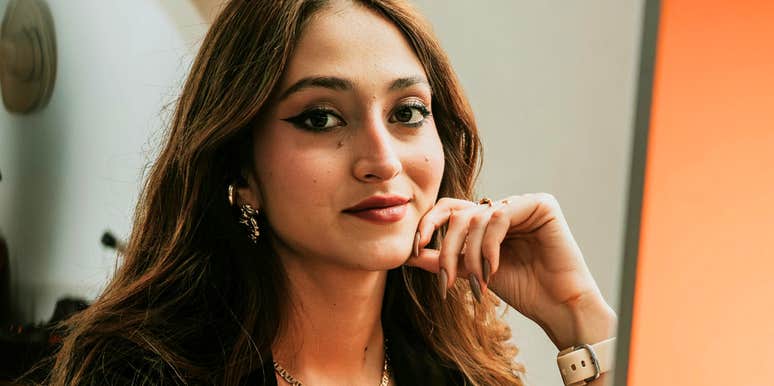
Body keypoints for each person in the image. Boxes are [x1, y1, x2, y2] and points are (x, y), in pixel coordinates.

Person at [44, 1, 617, 385]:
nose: (382, 160)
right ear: (240, 170)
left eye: (408, 113)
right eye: (320, 118)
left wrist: (579, 319)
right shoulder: (140, 372)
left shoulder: (461, 374)